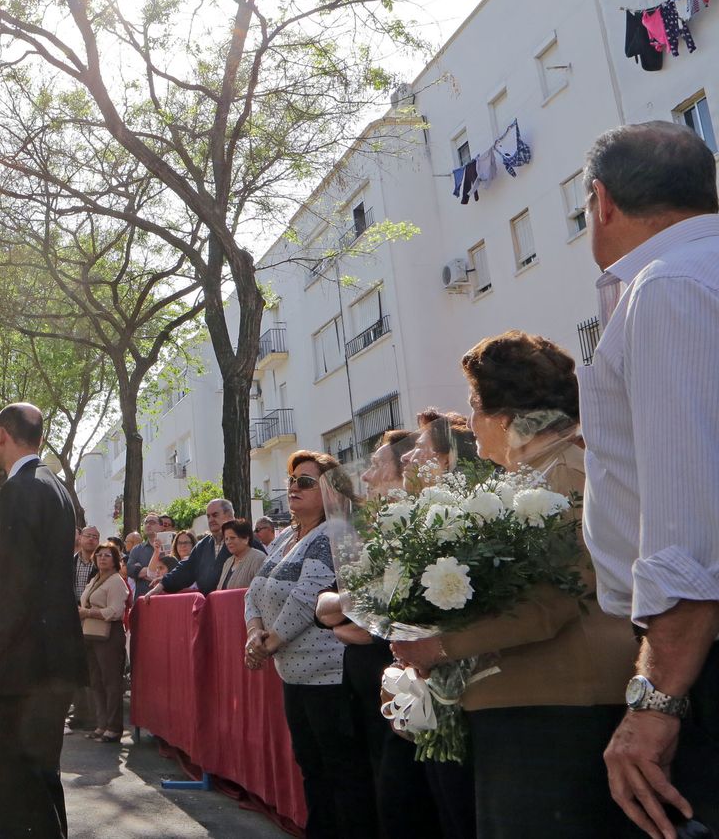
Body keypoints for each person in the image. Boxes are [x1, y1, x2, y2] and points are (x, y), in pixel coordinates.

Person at [394, 331, 639, 838]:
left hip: (560, 705)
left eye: (474, 406)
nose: (471, 425)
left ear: (504, 415)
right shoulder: (538, 471)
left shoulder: (565, 471)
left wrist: (441, 645)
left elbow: (553, 600)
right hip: (531, 704)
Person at [574, 123, 719, 839]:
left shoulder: (667, 287)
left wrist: (656, 701)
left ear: (602, 201)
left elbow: (688, 527)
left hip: (700, 658)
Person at [321, 428, 471, 839]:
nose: (366, 477)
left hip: (447, 695)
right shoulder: (386, 531)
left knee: (434, 810)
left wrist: (371, 627)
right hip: (403, 695)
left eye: (376, 466)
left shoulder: (444, 522)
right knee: (399, 807)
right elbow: (333, 608)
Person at [0, 404, 86, 839]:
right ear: (41, 438)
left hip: (21, 666)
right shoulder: (57, 487)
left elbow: (15, 585)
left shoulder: (17, 490)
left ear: (1, 435)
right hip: (51, 661)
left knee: (17, 784)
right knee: (41, 780)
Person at [244, 451, 377, 839]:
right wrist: (254, 633)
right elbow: (254, 591)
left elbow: (307, 597)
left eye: (305, 482)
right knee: (311, 766)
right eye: (291, 481)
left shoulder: (334, 532)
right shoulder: (287, 536)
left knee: (342, 771)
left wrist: (268, 644)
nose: (293, 488)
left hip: (330, 677)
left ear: (331, 489)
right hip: (293, 675)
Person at [152, 498, 265, 596]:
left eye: (215, 515)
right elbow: (186, 569)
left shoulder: (246, 541)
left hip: (243, 607)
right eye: (208, 516)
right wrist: (164, 583)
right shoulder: (203, 545)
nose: (211, 520)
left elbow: (264, 575)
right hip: (212, 607)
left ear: (229, 515)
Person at [78, 541, 130, 743]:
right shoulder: (95, 579)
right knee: (96, 682)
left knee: (111, 682)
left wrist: (88, 612)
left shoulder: (116, 581)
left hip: (109, 636)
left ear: (115, 560)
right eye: (99, 555)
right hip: (91, 634)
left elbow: (116, 611)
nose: (102, 558)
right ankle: (101, 725)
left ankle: (114, 727)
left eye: (107, 555)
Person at [68, 526, 102, 731]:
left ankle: (95, 715)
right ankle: (79, 712)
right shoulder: (69, 562)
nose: (91, 540)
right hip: (72, 620)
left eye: (95, 537)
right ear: (80, 538)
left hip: (93, 619)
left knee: (93, 668)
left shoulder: (102, 563)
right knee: (74, 668)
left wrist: (87, 610)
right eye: (88, 536)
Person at [215, 519, 266, 590]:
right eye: (226, 539)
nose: (228, 542)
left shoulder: (258, 559)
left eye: (232, 538)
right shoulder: (228, 562)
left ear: (246, 539)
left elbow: (261, 590)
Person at [125, 515, 161, 597]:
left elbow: (172, 571)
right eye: (146, 523)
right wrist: (155, 572)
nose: (148, 525)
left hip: (165, 596)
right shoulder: (137, 549)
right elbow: (130, 570)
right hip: (142, 598)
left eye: (152, 522)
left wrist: (141, 571)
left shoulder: (169, 547)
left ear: (160, 527)